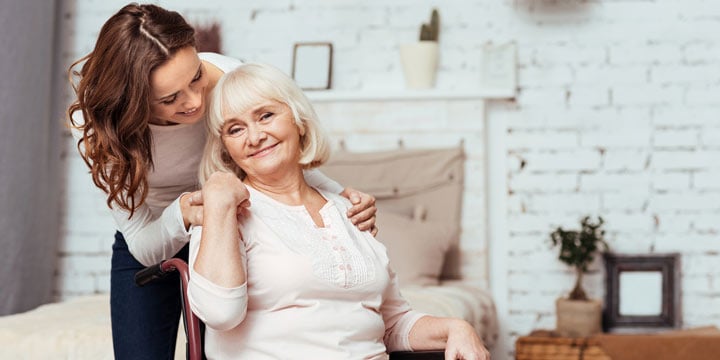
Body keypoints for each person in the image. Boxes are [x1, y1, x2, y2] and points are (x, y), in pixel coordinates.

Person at [66, 4, 378, 359]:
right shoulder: (103, 128)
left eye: (196, 76)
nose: (196, 101)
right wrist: (182, 215)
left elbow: (275, 156)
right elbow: (142, 242)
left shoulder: (231, 77)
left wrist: (340, 200)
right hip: (155, 232)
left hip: (230, 225)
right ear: (132, 101)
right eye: (170, 99)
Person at [187, 63, 490, 359]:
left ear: (298, 119)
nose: (254, 137)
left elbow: (393, 322)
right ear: (225, 147)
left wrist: (456, 328)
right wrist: (221, 203)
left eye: (265, 116)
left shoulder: (349, 212)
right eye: (235, 129)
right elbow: (219, 313)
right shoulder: (222, 214)